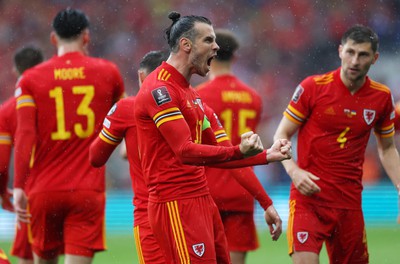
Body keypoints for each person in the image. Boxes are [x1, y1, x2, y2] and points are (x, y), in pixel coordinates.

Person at [134, 11, 291, 263]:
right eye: (209, 40)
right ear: (186, 45)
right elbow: (185, 150)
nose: (216, 47)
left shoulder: (193, 96)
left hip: (203, 201)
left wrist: (266, 156)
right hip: (175, 202)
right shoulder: (159, 89)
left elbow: (224, 152)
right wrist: (240, 151)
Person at [273, 24, 400, 264]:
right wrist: (294, 171)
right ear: (340, 51)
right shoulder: (313, 87)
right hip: (308, 200)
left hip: (349, 203)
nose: (354, 60)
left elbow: (387, 148)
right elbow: (281, 135)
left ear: (375, 59)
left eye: (362, 55)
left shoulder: (381, 97)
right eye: (350, 52)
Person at [13, 8, 124, 264]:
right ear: (86, 37)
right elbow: (126, 117)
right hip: (87, 190)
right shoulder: (108, 73)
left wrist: (19, 185)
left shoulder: (30, 79)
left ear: (53, 39)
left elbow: (26, 134)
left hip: (44, 190)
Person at [89, 50, 169, 263]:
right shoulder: (191, 103)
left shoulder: (127, 108)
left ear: (141, 77)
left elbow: (95, 157)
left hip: (150, 211)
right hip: (190, 208)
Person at [196, 28, 264, 264]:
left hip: (207, 189)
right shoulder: (253, 97)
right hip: (241, 189)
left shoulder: (198, 96)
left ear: (210, 55)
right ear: (235, 57)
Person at [0, 45, 44, 264]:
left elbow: (1, 165)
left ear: (16, 72)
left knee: (29, 255)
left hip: (29, 191)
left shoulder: (8, 110)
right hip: (65, 183)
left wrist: (3, 192)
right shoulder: (56, 101)